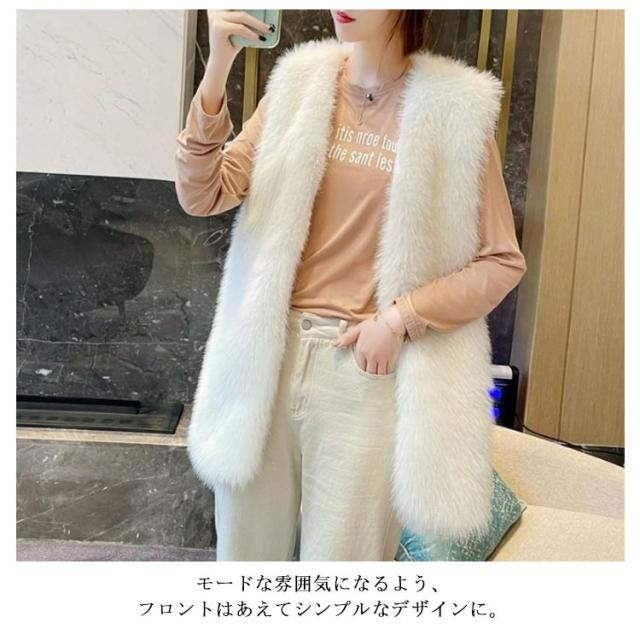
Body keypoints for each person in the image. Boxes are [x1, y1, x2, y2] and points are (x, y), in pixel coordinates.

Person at [175, 9, 527, 561]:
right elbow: (204, 194)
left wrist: (400, 319)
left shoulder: (454, 108)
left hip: (364, 375)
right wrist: (217, 70)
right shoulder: (299, 84)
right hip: (265, 359)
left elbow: (501, 260)